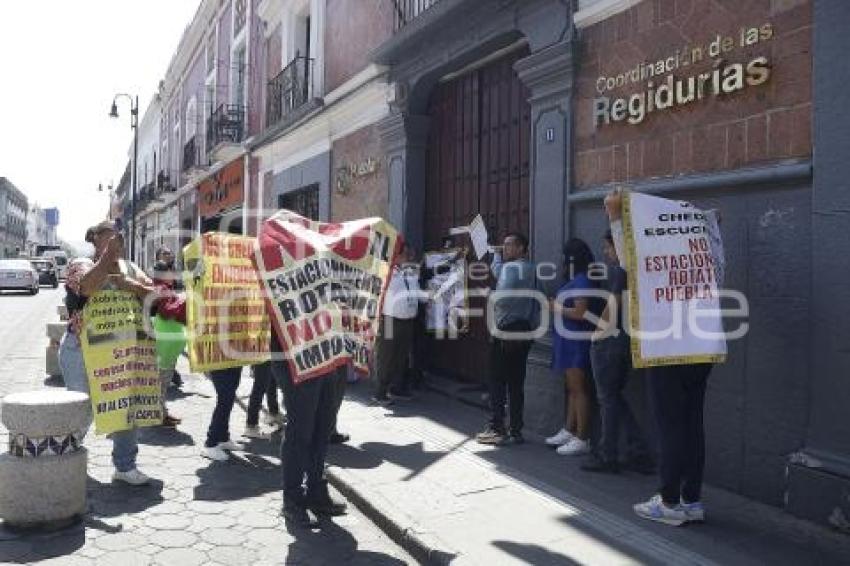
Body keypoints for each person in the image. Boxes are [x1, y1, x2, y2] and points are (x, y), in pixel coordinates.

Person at [604, 189, 715, 526]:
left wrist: (615, 217)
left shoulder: (654, 261)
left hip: (666, 348)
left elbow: (627, 260)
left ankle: (669, 502)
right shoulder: (705, 252)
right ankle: (691, 499)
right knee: (693, 423)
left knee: (669, 425)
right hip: (702, 345)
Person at [59, 221, 155, 485]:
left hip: (121, 353)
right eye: (108, 237)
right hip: (81, 351)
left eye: (118, 238)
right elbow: (86, 288)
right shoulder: (80, 264)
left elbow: (154, 294)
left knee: (126, 408)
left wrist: (129, 284)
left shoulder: (131, 268)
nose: (116, 241)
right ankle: (64, 458)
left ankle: (124, 466)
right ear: (95, 239)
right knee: (83, 409)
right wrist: (107, 260)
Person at [580, 230, 653, 474]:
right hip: (628, 339)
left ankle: (607, 454)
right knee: (614, 397)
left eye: (608, 247)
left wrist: (596, 335)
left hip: (612, 342)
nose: (605, 251)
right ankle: (638, 450)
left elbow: (614, 304)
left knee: (607, 399)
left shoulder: (620, 270)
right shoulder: (638, 269)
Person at [271, 336, 348, 527]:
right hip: (292, 357)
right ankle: (292, 501)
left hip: (323, 355)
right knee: (299, 430)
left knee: (323, 428)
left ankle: (316, 492)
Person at [476, 233, 537, 446]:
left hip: (505, 331)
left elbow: (502, 296)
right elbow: (500, 273)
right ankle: (516, 430)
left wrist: (488, 296)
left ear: (522, 248)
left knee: (497, 380)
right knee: (516, 383)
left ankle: (496, 428)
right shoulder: (531, 269)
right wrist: (496, 256)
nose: (506, 248)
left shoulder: (512, 268)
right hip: (524, 330)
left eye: (510, 245)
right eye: (504, 245)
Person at [545, 239, 598, 456]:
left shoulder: (582, 281)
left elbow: (579, 312)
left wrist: (554, 307)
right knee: (572, 389)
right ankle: (569, 429)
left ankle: (582, 437)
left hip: (576, 341)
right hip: (567, 340)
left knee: (578, 389)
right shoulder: (578, 279)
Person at [373, 243, 424, 405]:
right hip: (388, 319)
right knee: (386, 356)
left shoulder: (410, 273)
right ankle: (380, 391)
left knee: (401, 356)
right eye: (405, 254)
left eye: (409, 254)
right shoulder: (385, 272)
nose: (409, 257)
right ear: (396, 255)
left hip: (407, 320)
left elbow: (417, 294)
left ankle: (396, 387)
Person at [202, 366, 245, 461]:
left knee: (229, 397)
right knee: (225, 398)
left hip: (235, 359)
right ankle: (210, 443)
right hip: (218, 359)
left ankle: (223, 437)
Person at [244, 361, 285, 439]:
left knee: (270, 381)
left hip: (267, 356)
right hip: (263, 355)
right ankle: (251, 425)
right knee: (259, 387)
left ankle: (273, 412)